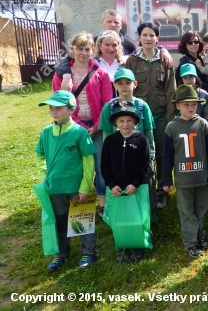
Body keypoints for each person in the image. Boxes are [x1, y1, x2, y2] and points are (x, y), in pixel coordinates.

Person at [35, 90, 97, 270]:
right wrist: (44, 174)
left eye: (59, 108)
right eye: (51, 108)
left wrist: (85, 187)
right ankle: (61, 255)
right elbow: (40, 155)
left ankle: (89, 253)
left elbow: (88, 160)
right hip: (55, 188)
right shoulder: (46, 132)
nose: (54, 112)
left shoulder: (79, 132)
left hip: (77, 189)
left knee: (83, 221)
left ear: (71, 109)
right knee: (60, 221)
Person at [52, 32, 112, 216]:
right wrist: (83, 128)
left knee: (101, 164)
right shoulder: (62, 75)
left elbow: (107, 102)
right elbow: (58, 101)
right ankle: (78, 206)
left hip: (98, 127)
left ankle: (102, 204)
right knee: (77, 166)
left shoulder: (100, 73)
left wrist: (96, 127)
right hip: (73, 127)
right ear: (72, 49)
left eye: (87, 49)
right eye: (80, 48)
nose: (84, 53)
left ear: (92, 50)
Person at [125, 22, 176, 210]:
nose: (148, 38)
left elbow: (171, 89)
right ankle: (145, 189)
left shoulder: (165, 60)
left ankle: (162, 190)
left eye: (152, 35)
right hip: (139, 117)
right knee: (141, 154)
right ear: (139, 38)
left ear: (157, 39)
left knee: (162, 153)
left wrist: (171, 117)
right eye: (145, 35)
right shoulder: (131, 61)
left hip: (161, 114)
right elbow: (127, 88)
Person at [162, 85, 208, 258]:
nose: (190, 107)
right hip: (183, 179)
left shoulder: (202, 124)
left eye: (193, 104)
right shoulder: (171, 127)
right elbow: (167, 156)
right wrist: (166, 179)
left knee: (201, 208)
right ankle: (190, 242)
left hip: (201, 177)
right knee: (187, 211)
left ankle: (199, 235)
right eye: (186, 104)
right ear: (177, 106)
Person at [98, 68, 156, 220]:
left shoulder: (142, 106)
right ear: (114, 85)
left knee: (144, 188)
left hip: (140, 156)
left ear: (135, 84)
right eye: (120, 83)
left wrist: (152, 157)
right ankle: (121, 220)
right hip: (118, 160)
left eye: (128, 82)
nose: (124, 86)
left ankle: (148, 219)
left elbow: (149, 133)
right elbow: (106, 135)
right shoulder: (108, 108)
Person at [101, 101, 152, 262]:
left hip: (135, 187)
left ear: (135, 122)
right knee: (120, 218)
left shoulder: (142, 140)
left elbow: (146, 163)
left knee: (136, 217)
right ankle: (122, 246)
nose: (125, 124)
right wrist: (111, 184)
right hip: (116, 188)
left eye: (129, 120)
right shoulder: (109, 142)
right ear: (115, 123)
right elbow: (104, 165)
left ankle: (137, 245)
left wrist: (136, 183)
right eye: (121, 121)